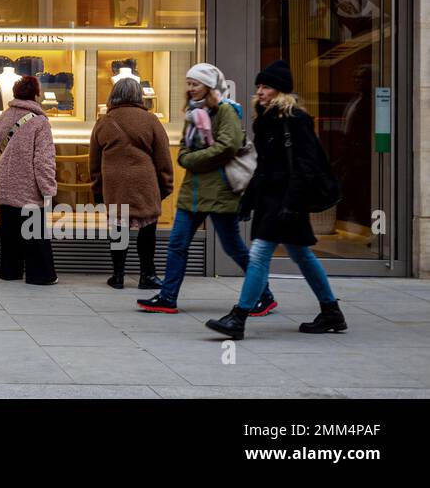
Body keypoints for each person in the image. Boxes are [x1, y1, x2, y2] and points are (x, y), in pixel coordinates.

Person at [206, 60, 347, 340]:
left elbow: (305, 166)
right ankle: (331, 311)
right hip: (272, 200)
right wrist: (247, 201)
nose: (259, 91)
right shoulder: (266, 121)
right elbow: (264, 166)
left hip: (287, 202)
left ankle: (239, 317)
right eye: (259, 86)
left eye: (266, 86)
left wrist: (291, 204)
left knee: (258, 255)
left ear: (280, 91)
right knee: (301, 255)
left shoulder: (296, 120)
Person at [138, 63, 276, 316]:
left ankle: (264, 295)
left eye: (195, 84)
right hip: (193, 191)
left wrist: (193, 159)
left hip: (220, 191)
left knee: (233, 246)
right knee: (177, 244)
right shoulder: (193, 113)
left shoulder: (226, 111)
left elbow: (228, 145)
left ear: (209, 87)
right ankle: (168, 297)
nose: (190, 89)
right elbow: (183, 150)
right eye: (188, 84)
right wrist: (189, 157)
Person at [89, 77, 173, 289]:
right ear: (138, 95)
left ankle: (118, 276)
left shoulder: (104, 122)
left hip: (115, 183)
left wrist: (98, 188)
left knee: (119, 229)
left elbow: (94, 161)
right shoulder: (151, 120)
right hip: (145, 182)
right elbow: (163, 157)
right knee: (147, 231)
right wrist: (166, 185)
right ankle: (148, 275)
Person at [0, 75, 58, 285]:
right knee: (35, 235)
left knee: (9, 235)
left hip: (5, 186)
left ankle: (10, 272)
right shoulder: (40, 122)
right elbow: (44, 161)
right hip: (29, 188)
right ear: (36, 94)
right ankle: (40, 275)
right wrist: (49, 190)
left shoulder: (4, 115)